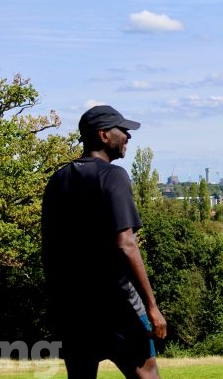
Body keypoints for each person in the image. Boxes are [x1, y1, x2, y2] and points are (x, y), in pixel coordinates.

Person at [42, 105, 167, 379]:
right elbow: (126, 244)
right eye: (123, 131)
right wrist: (152, 307)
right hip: (117, 305)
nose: (128, 137)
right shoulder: (113, 176)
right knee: (148, 376)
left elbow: (50, 252)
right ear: (103, 135)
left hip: (72, 309)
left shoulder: (57, 180)